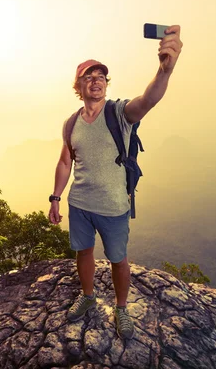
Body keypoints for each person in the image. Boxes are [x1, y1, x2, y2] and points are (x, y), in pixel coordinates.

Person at [48, 25, 183, 340]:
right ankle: (88, 296)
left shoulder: (119, 113)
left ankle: (121, 309)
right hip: (79, 204)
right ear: (77, 86)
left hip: (113, 207)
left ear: (105, 85)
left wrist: (165, 71)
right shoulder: (71, 123)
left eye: (101, 77)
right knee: (83, 253)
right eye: (89, 76)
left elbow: (147, 100)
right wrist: (55, 198)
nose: (96, 80)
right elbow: (66, 160)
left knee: (118, 260)